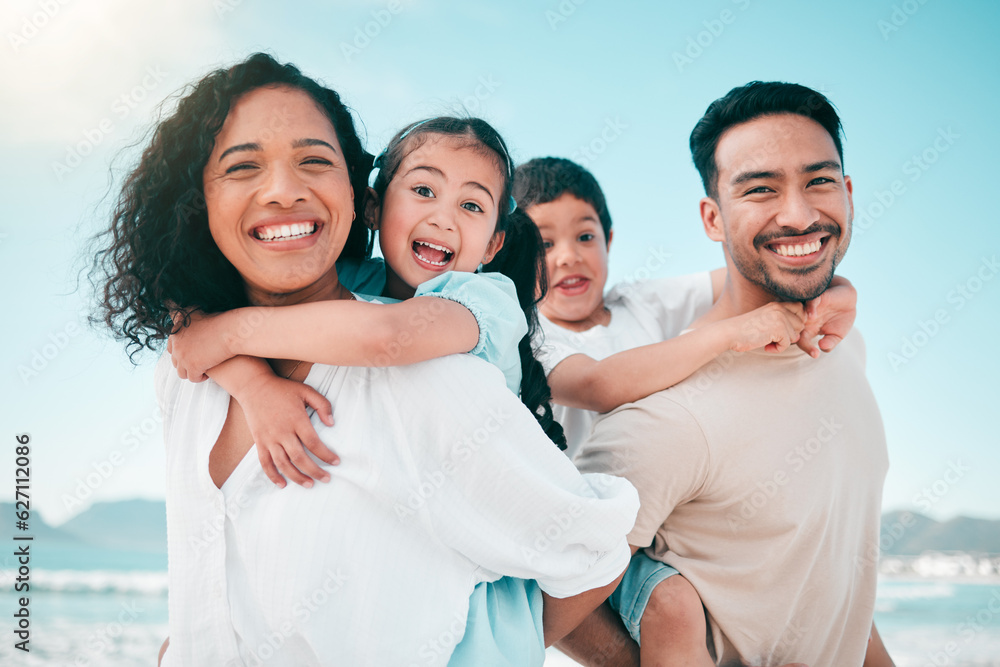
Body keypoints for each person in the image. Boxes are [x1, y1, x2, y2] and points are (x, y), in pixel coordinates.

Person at [93, 53, 638, 666]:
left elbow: (592, 553)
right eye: (243, 165)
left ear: (353, 195)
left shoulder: (433, 373)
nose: (283, 190)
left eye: (314, 161)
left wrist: (479, 651)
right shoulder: (187, 375)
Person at [559, 82, 895, 666]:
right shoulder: (670, 418)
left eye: (818, 181)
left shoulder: (845, 346)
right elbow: (533, 592)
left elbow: (831, 588)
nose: (798, 213)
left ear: (847, 193)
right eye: (761, 189)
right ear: (713, 218)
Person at [166, 117, 566, 491]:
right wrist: (255, 386)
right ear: (374, 207)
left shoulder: (483, 300)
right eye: (424, 191)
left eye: (472, 206)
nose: (444, 218)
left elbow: (385, 335)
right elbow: (198, 316)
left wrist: (227, 334)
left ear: (493, 245)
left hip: (486, 527)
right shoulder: (350, 279)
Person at [514, 157, 858, 461]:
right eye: (544, 244)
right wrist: (730, 333)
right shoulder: (531, 339)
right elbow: (597, 385)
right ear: (517, 258)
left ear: (609, 241)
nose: (569, 256)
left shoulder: (638, 302)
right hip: (593, 519)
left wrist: (835, 288)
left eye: (585, 237)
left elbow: (761, 276)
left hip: (673, 504)